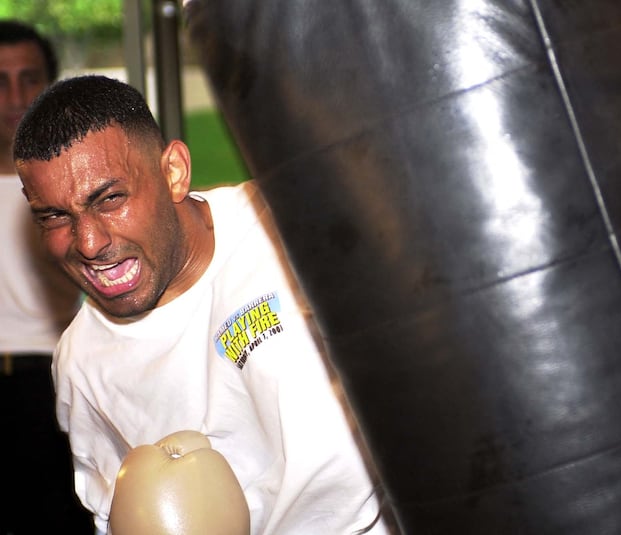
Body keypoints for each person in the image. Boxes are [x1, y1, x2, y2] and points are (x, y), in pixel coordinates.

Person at [14, 74, 390, 535]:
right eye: (55, 216)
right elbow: (116, 514)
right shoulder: (82, 363)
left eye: (110, 199)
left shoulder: (293, 228)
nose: (89, 243)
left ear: (173, 171)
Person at [0, 20, 93, 534]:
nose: (15, 96)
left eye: (29, 77)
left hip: (53, 382)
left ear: (49, 85)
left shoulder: (72, 186)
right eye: (0, 80)